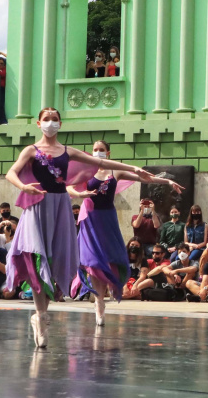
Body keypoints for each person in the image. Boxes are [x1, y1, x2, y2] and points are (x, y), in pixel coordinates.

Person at [3, 107, 151, 348]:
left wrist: (133, 168)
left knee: (54, 259)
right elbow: (11, 172)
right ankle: (41, 316)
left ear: (60, 123)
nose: (51, 122)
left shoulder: (68, 151)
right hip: (38, 206)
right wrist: (23, 186)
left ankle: (41, 315)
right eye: (46, 119)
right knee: (38, 256)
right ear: (38, 123)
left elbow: (99, 161)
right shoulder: (31, 150)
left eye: (55, 119)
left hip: (60, 206)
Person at [70, 139, 181, 325]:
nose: (97, 152)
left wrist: (167, 181)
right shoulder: (87, 171)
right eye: (95, 149)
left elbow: (143, 177)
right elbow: (68, 185)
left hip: (108, 220)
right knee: (93, 261)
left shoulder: (116, 171)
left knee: (109, 259)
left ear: (108, 152)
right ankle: (99, 301)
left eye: (101, 149)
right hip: (90, 219)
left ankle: (104, 294)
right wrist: (79, 194)